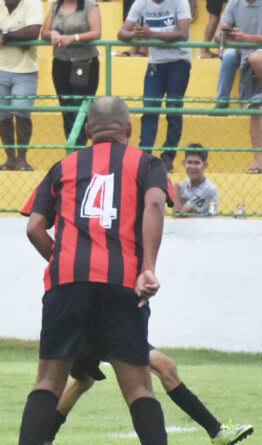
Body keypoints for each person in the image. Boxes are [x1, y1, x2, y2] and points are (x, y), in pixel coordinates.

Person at [18, 97, 172, 445]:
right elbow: (154, 204)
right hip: (123, 284)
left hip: (67, 283)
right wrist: (148, 268)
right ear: (129, 130)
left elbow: (34, 228)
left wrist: (61, 262)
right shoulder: (147, 164)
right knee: (138, 388)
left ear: (87, 131)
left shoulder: (63, 166)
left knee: (47, 382)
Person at [45, 348, 254, 444]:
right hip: (96, 328)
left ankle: (216, 431)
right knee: (86, 380)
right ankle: (44, 436)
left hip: (117, 325)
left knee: (85, 380)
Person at [215, 0, 262, 174]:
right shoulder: (234, 4)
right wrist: (229, 36)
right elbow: (218, 34)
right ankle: (259, 162)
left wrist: (246, 38)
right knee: (255, 108)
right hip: (247, 54)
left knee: (256, 59)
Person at [119, 0, 192, 174]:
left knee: (173, 109)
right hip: (156, 63)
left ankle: (168, 157)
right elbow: (121, 33)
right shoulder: (141, 3)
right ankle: (145, 156)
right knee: (150, 108)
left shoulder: (180, 2)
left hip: (179, 61)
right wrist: (136, 35)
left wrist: (150, 34)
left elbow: (183, 34)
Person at [41, 0, 101, 147]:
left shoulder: (90, 6)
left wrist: (74, 38)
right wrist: (52, 33)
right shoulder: (55, 6)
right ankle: (72, 148)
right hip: (61, 62)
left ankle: (80, 149)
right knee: (66, 108)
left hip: (83, 62)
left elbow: (96, 32)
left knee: (80, 108)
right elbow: (43, 33)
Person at [0, 0, 42, 171]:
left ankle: (22, 159)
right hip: (1, 68)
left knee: (22, 114)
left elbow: (33, 32)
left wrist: (5, 35)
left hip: (26, 71)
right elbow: (25, 33)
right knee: (2, 117)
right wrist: (17, 36)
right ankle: (10, 159)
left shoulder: (33, 3)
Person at [172, 144, 220, 215]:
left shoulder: (209, 189)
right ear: (184, 163)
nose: (192, 167)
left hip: (206, 225)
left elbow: (181, 214)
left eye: (197, 163)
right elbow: (176, 211)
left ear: (205, 165)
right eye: (189, 162)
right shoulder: (185, 183)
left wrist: (176, 190)